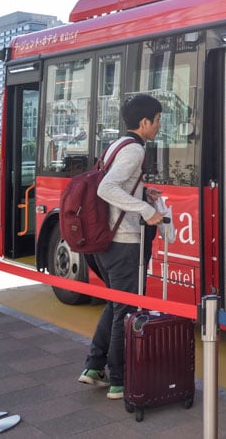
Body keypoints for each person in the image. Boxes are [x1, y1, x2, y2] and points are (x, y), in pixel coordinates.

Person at [77, 93, 165, 400]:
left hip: (106, 241)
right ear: (144, 122)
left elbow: (117, 184)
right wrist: (145, 210)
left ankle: (92, 367)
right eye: (157, 121)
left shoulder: (118, 144)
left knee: (115, 304)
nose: (158, 126)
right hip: (123, 242)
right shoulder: (135, 150)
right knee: (124, 311)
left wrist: (143, 192)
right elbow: (106, 188)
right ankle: (118, 380)